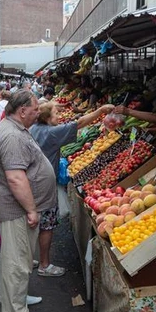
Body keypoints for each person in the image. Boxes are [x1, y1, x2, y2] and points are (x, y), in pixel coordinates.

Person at [0, 90, 57, 312]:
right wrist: (31, 209)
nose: (38, 112)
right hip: (16, 209)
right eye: (35, 108)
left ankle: (15, 298)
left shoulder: (14, 129)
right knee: (16, 261)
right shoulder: (12, 136)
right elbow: (16, 178)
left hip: (17, 208)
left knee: (17, 258)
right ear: (22, 111)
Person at [29, 101, 114, 276]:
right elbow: (80, 124)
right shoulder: (51, 133)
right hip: (45, 185)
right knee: (47, 225)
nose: (59, 117)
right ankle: (45, 265)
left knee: (32, 222)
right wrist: (100, 110)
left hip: (31, 181)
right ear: (47, 117)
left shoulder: (34, 128)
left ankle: (28, 259)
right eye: (55, 113)